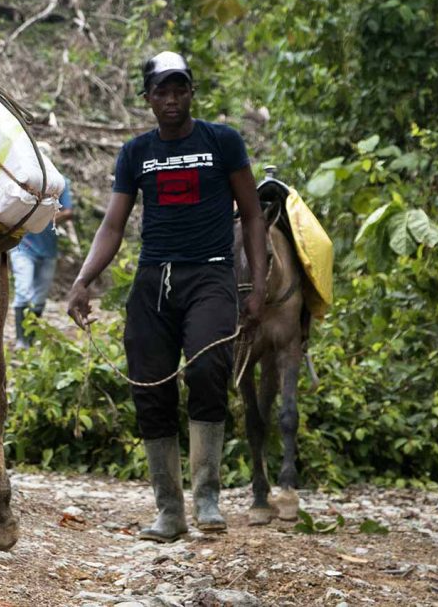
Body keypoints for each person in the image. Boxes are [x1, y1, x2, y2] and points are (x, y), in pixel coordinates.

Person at [66, 51, 266, 541]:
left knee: (206, 369)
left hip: (211, 276)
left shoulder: (222, 141)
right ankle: (169, 510)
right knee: (150, 387)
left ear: (191, 92)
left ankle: (207, 497)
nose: (171, 99)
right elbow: (113, 225)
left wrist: (257, 285)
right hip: (153, 281)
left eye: (180, 89)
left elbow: (253, 214)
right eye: (162, 91)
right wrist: (84, 279)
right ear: (148, 98)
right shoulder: (136, 153)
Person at [10, 182, 74, 349]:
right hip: (23, 247)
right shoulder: (26, 178)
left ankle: (30, 337)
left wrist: (43, 218)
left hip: (48, 249)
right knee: (23, 291)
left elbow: (68, 211)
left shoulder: (60, 182)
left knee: (40, 297)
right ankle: (21, 340)